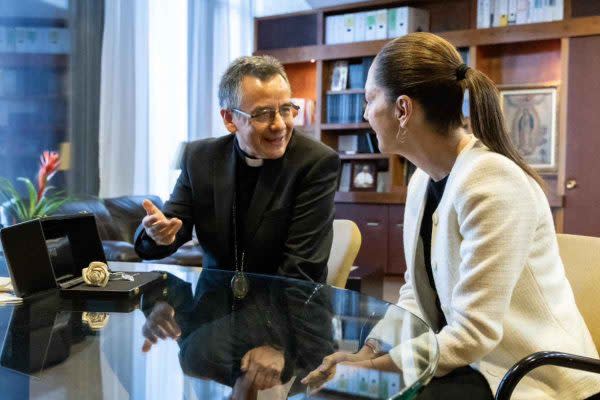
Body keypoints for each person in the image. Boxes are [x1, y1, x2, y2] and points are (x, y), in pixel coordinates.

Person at [303, 32, 600, 399]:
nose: (365, 114)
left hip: (525, 372)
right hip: (469, 362)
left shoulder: (493, 183)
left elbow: (473, 334)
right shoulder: (421, 182)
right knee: (338, 392)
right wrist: (368, 352)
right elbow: (416, 292)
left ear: (403, 109)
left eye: (369, 100)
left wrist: (374, 369)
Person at [134, 55, 340, 283]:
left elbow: (300, 272)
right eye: (263, 113)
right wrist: (158, 236)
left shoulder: (315, 163)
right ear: (229, 118)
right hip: (212, 306)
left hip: (283, 307)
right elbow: (170, 229)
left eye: (286, 109)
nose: (280, 125)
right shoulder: (200, 158)